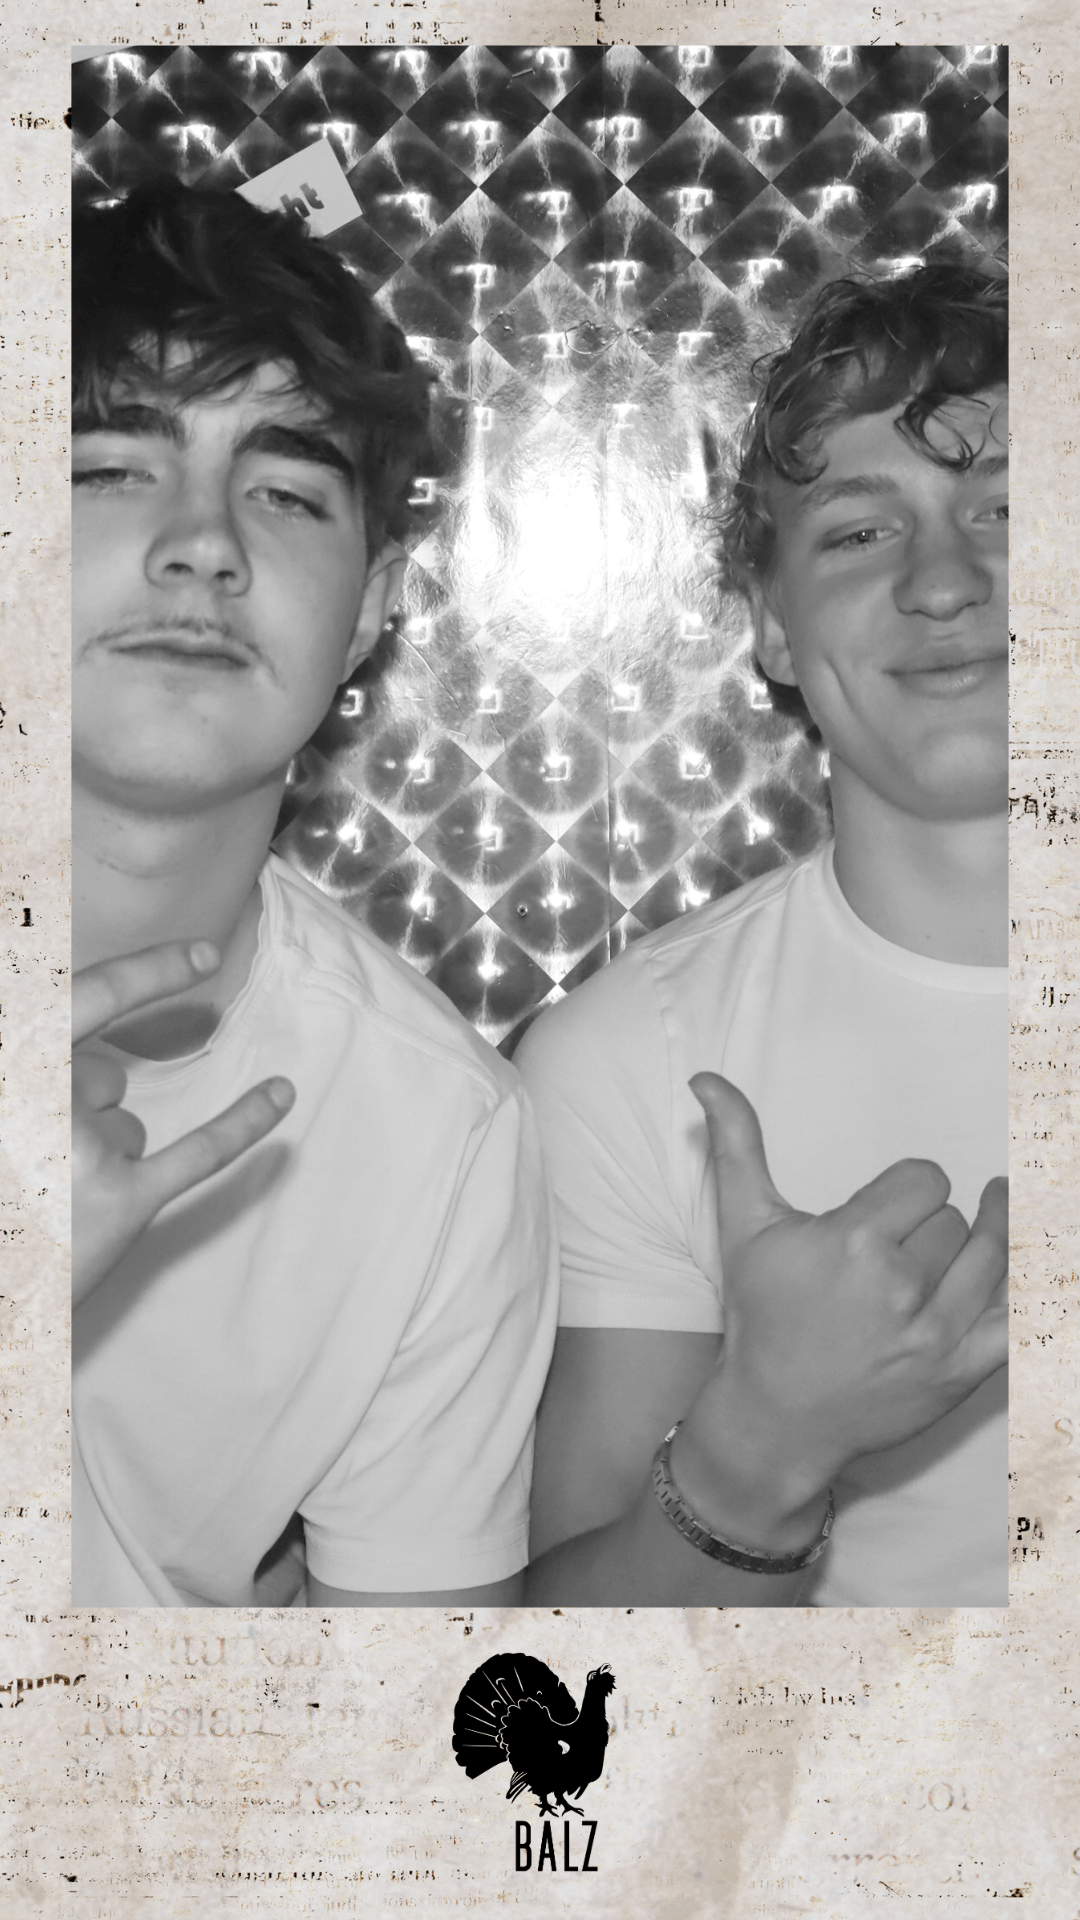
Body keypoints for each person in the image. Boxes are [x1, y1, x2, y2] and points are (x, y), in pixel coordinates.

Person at [71, 182, 559, 1607]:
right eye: (108, 469)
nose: (204, 543)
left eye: (284, 493)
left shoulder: (436, 1133)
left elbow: (408, 1717)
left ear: (371, 608)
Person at [518, 261, 1009, 1606]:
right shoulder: (637, 1067)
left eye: (1011, 509)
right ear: (774, 630)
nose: (947, 579)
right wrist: (766, 1441)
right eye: (859, 532)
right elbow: (563, 1664)